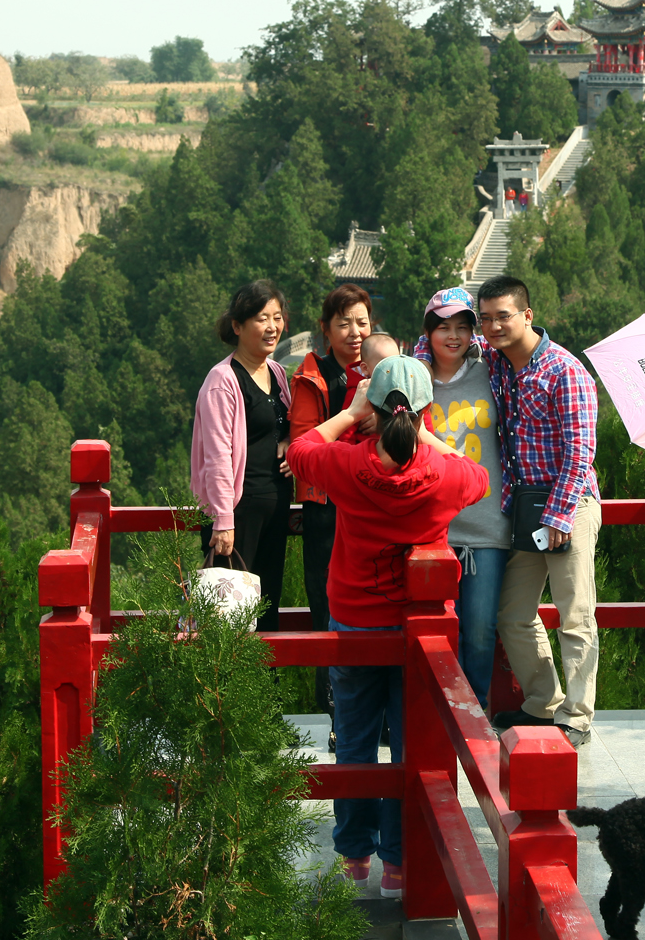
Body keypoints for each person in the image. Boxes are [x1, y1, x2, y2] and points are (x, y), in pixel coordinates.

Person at [289, 355, 487, 901]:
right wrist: (427, 435)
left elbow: (300, 451)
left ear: (372, 409)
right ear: (425, 410)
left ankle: (354, 857)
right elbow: (480, 477)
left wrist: (349, 414)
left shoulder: (349, 465)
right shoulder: (445, 475)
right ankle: (401, 865)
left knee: (352, 743)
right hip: (420, 634)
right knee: (409, 750)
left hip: (354, 621)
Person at [478, 275, 602, 748]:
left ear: (528, 315)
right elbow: (448, 339)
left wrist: (558, 516)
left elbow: (580, 451)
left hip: (568, 504)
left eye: (503, 316)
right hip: (524, 504)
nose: (493, 326)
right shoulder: (497, 363)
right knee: (512, 612)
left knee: (575, 614)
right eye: (486, 318)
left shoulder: (563, 371)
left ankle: (578, 714)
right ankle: (542, 702)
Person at [418, 287, 511, 704]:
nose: (453, 336)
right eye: (443, 327)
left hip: (487, 524)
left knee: (478, 630)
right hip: (431, 528)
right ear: (428, 332)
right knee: (429, 633)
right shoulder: (414, 380)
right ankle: (431, 717)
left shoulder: (491, 370)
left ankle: (472, 717)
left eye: (462, 327)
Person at [289, 284, 374, 727]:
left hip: (368, 506)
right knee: (326, 607)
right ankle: (337, 711)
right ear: (325, 329)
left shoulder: (380, 370)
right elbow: (304, 442)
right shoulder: (312, 375)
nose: (354, 332)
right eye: (344, 323)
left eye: (362, 322)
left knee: (370, 606)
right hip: (325, 507)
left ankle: (371, 711)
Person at [189, 280, 293, 632]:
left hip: (276, 506)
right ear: (237, 326)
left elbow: (286, 425)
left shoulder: (277, 374)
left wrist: (290, 441)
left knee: (267, 609)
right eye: (262, 318)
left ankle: (266, 686)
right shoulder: (223, 380)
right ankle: (226, 688)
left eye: (277, 317)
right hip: (238, 513)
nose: (272, 327)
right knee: (229, 619)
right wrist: (223, 519)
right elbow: (217, 455)